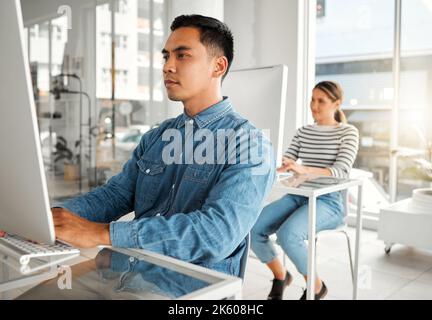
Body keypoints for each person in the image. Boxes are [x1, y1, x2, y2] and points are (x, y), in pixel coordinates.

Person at [6, 14, 275, 277]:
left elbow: (216, 234)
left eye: (182, 55)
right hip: (127, 271)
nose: (168, 66)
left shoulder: (250, 145)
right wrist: (50, 220)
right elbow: (115, 196)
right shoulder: (157, 136)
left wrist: (102, 234)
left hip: (188, 287)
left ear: (218, 67)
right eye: (166, 56)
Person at [250, 81, 359, 299]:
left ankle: (317, 287)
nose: (314, 106)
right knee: (253, 228)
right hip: (298, 196)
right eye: (312, 99)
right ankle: (281, 276)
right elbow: (288, 161)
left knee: (289, 235)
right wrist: (267, 164)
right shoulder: (304, 132)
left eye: (321, 101)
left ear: (337, 104)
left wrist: (305, 169)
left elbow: (341, 170)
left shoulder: (347, 132)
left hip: (328, 201)